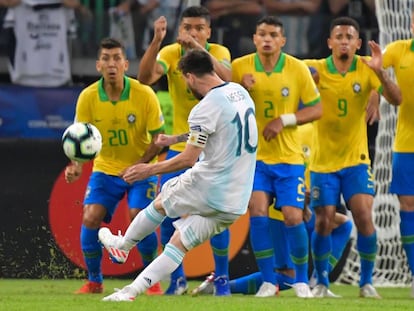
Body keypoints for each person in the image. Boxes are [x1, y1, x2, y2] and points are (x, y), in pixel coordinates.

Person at [98, 48, 258, 302]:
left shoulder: (204, 107)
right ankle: (130, 293)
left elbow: (187, 158)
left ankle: (123, 246)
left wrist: (147, 169)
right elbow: (219, 129)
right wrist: (174, 139)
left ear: (190, 77)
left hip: (211, 183)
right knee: (179, 243)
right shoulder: (240, 93)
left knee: (162, 202)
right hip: (236, 200)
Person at [137, 5, 233, 295]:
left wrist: (199, 51)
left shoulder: (219, 51)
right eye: (187, 28)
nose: (192, 33)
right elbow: (144, 79)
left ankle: (222, 280)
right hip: (183, 146)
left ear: (208, 32)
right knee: (166, 209)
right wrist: (156, 41)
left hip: (215, 151)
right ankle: (176, 280)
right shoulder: (170, 53)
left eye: (198, 28)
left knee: (218, 215)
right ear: (180, 31)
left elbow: (228, 79)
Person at [303, 16, 402, 298]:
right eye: (339, 36)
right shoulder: (317, 69)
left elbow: (397, 100)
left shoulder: (366, 68)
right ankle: (321, 282)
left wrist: (380, 74)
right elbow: (296, 77)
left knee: (363, 217)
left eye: (349, 37)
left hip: (356, 161)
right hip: (323, 163)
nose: (344, 41)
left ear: (358, 43)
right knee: (323, 221)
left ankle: (367, 283)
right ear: (330, 42)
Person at [64, 37, 165, 295]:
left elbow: (159, 139)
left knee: (137, 217)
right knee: (90, 217)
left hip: (142, 170)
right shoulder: (87, 97)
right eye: (106, 59)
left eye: (117, 58)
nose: (112, 64)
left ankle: (150, 281)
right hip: (106, 169)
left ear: (126, 64)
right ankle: (95, 282)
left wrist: (140, 166)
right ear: (98, 65)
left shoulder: (144, 94)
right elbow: (79, 138)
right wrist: (75, 165)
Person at [231, 15, 322, 298]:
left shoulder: (297, 69)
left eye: (273, 35)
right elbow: (222, 105)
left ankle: (302, 281)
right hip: (255, 159)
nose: (267, 39)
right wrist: (239, 90)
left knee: (294, 217)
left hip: (289, 158)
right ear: (255, 38)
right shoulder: (239, 67)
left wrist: (284, 119)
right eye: (262, 34)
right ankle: (269, 282)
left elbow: (316, 109)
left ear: (283, 40)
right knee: (257, 212)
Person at [382, 8, 414, 298]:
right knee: (408, 205)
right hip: (406, 144)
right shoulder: (398, 50)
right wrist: (370, 94)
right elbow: (374, 67)